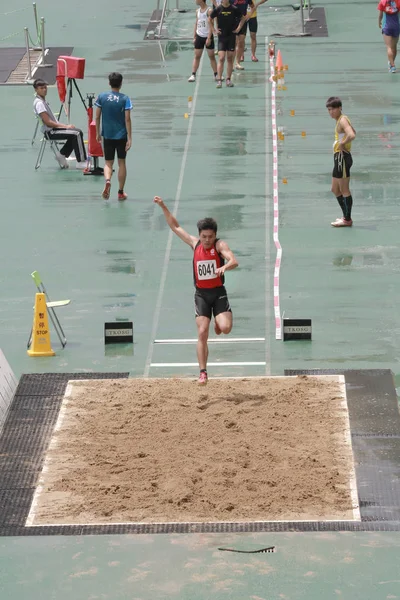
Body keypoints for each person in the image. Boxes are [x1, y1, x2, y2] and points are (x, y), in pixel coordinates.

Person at [153, 196, 239, 385]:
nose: (207, 240)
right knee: (202, 332)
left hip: (218, 293)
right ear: (199, 235)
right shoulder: (195, 244)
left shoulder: (219, 245)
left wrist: (226, 267)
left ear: (215, 235)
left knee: (225, 328)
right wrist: (163, 206)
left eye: (210, 237)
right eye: (204, 237)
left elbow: (233, 260)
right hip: (201, 295)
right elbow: (175, 226)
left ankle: (219, 321)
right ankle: (203, 372)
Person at [33, 78, 87, 169]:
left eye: (45, 87)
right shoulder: (39, 103)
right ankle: (81, 162)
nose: (44, 89)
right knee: (77, 133)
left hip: (52, 129)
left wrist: (66, 127)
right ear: (36, 90)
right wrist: (66, 126)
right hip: (51, 131)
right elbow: (48, 122)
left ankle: (62, 154)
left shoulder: (42, 101)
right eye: (41, 88)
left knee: (75, 132)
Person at [95, 72, 132, 201]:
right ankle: (121, 192)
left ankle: (108, 180)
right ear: (121, 83)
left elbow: (97, 116)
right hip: (121, 135)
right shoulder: (125, 98)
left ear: (109, 83)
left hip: (108, 135)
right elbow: (127, 119)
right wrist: (130, 138)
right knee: (121, 162)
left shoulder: (102, 97)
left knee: (108, 163)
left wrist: (97, 133)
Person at [326, 97, 356, 228]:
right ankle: (345, 216)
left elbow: (352, 135)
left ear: (339, 108)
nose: (330, 112)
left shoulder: (342, 120)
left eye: (332, 109)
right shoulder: (340, 120)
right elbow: (353, 131)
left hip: (342, 158)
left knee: (344, 189)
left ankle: (347, 219)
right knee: (334, 189)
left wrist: (342, 144)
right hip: (338, 158)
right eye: (329, 110)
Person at [209, 0, 248, 88]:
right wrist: (214, 30)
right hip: (222, 37)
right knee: (221, 57)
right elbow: (209, 19)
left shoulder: (234, 9)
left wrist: (238, 29)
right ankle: (219, 80)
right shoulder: (218, 9)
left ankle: (228, 79)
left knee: (230, 58)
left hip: (231, 37)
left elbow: (243, 18)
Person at [189, 0, 219, 82]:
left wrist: (209, 38)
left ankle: (216, 74)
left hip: (207, 37)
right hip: (199, 36)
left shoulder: (209, 11)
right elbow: (196, 23)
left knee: (211, 56)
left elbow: (211, 24)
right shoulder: (197, 11)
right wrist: (194, 36)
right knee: (197, 56)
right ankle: (193, 74)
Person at [231, 0, 255, 70]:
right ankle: (231, 64)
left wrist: (249, 15)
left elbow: (253, 7)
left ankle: (237, 63)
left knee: (241, 42)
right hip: (233, 21)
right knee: (234, 43)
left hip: (243, 21)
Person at [378, 0, 400, 72]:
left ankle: (392, 65)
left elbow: (380, 15)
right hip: (396, 26)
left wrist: (379, 23)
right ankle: (391, 63)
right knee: (394, 47)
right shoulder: (398, 2)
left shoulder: (383, 2)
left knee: (389, 47)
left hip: (387, 26)